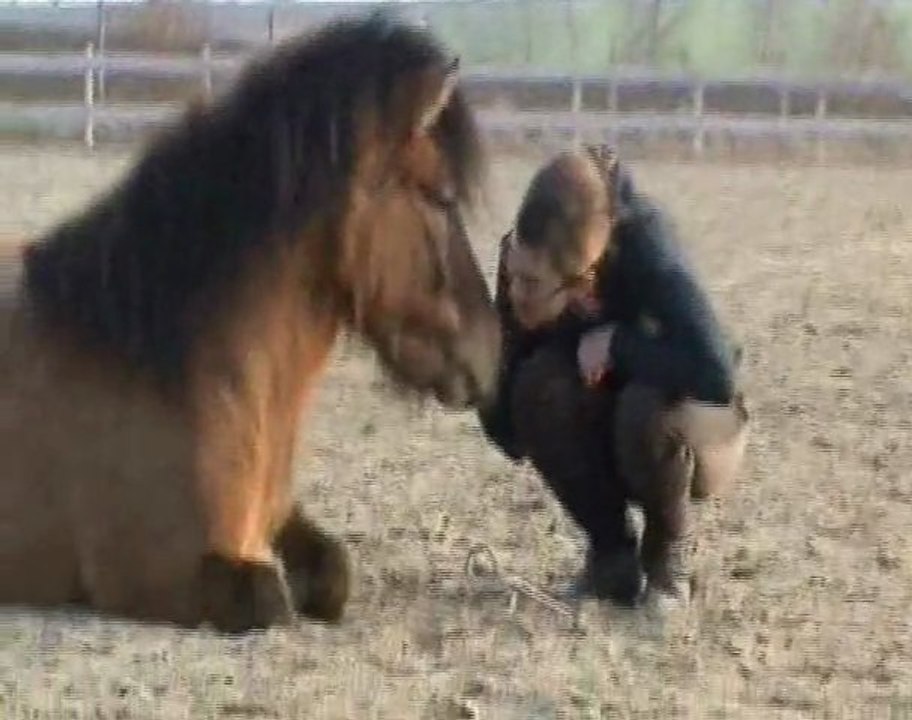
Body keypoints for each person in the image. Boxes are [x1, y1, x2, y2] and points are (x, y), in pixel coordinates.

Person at [478, 145, 750, 605]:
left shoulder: (648, 248)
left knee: (643, 408)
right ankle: (611, 559)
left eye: (531, 285)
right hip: (608, 418)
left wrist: (619, 344)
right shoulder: (527, 259)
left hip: (701, 425)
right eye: (513, 274)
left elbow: (715, 373)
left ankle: (667, 560)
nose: (516, 290)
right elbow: (507, 429)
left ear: (582, 282)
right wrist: (493, 364)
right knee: (539, 386)